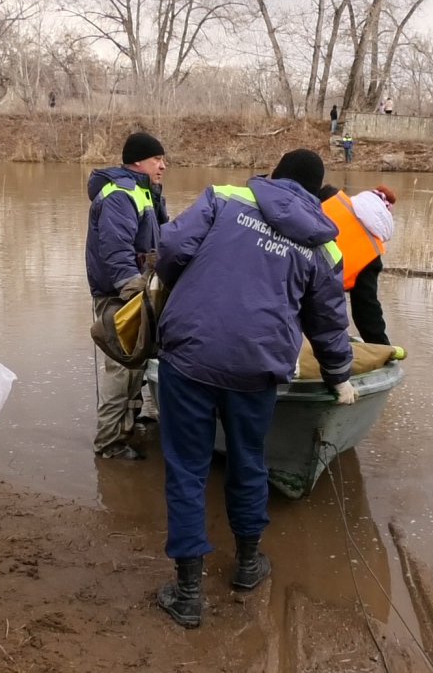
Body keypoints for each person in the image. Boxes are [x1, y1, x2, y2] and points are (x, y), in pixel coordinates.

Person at [152, 149, 357, 628]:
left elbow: (171, 249)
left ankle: (187, 594)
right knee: (248, 462)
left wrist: (183, 292)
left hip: (190, 355)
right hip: (256, 368)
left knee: (186, 469)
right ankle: (246, 566)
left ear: (274, 176)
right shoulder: (324, 245)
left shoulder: (225, 199)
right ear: (316, 194)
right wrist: (339, 376)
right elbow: (328, 323)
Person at [85, 132, 169, 460]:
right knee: (121, 370)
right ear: (137, 162)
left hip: (140, 293)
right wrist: (133, 289)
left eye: (163, 160)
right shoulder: (121, 194)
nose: (162, 166)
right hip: (120, 295)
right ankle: (109, 444)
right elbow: (115, 248)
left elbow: (163, 239)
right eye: (156, 160)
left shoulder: (147, 192)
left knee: (139, 366)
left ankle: (131, 426)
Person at [317, 184, 396, 345]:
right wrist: (382, 349)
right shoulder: (370, 253)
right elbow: (367, 313)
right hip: (314, 296)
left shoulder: (331, 197)